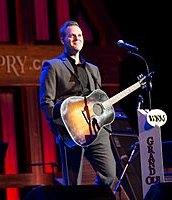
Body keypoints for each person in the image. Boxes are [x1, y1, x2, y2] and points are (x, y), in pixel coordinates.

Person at [39, 20, 116, 186]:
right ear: (63, 40)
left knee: (109, 175)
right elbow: (46, 102)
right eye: (72, 35)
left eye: (79, 35)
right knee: (73, 185)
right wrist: (60, 129)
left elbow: (99, 99)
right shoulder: (53, 66)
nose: (77, 38)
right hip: (71, 132)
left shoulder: (93, 69)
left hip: (96, 131)